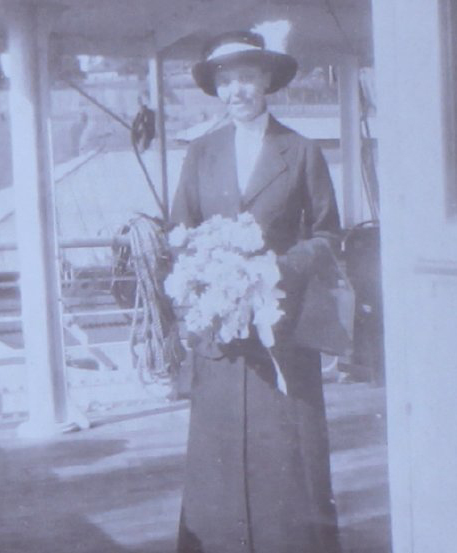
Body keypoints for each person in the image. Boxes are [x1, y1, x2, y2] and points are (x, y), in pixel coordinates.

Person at [170, 30, 342, 553]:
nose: (236, 91)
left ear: (266, 80)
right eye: (225, 81)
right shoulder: (201, 153)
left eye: (246, 77)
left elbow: (329, 235)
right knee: (217, 462)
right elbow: (180, 232)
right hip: (221, 337)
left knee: (286, 457)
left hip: (280, 331)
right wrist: (203, 283)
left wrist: (278, 270)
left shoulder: (302, 150)